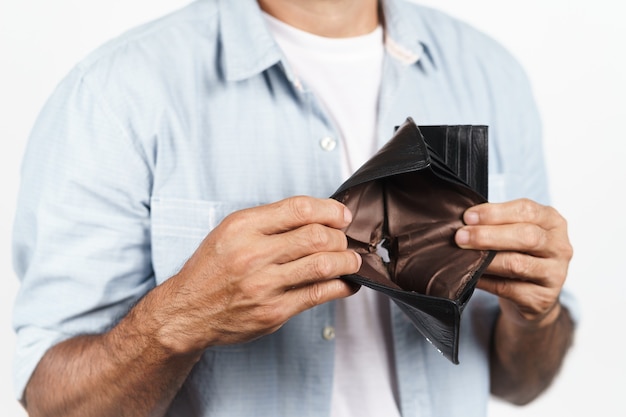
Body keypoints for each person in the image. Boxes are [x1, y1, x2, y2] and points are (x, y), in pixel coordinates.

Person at [11, 0, 577, 416]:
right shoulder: (116, 92)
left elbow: (520, 384)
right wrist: (178, 320)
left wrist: (536, 317)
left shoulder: (492, 76)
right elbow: (55, 403)